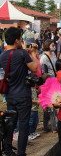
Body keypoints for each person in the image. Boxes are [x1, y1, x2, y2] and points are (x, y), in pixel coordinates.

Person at [0, 27, 38, 156]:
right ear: (17, 40)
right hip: (23, 95)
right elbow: (34, 68)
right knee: (23, 125)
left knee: (11, 124)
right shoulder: (22, 54)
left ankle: (8, 150)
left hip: (10, 95)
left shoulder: (2, 56)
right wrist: (33, 53)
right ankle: (21, 152)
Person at [40, 39, 58, 133]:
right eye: (52, 44)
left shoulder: (54, 55)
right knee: (49, 104)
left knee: (52, 103)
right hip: (48, 82)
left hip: (54, 80)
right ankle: (51, 126)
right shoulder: (43, 58)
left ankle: (51, 125)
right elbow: (43, 72)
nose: (53, 46)